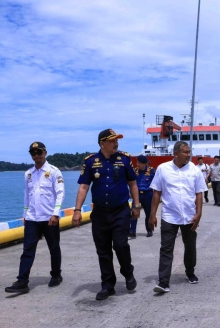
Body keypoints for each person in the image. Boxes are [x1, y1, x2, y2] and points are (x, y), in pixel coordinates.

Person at [72, 129, 141, 301]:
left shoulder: (124, 159)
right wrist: (77, 210)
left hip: (120, 211)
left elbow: (132, 183)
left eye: (117, 140)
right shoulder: (90, 162)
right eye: (112, 141)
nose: (116, 143)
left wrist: (137, 206)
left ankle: (128, 272)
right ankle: (107, 285)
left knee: (120, 245)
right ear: (102, 143)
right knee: (103, 250)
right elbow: (83, 187)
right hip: (100, 214)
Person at [5, 142, 65, 294]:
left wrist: (55, 213)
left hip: (49, 217)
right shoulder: (28, 174)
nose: (36, 155)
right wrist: (25, 214)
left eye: (39, 152)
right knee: (27, 250)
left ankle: (56, 275)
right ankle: (22, 281)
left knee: (54, 248)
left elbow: (60, 193)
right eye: (33, 153)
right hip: (32, 218)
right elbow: (26, 196)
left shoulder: (54, 171)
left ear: (45, 153)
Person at [149, 141, 207, 293]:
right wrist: (152, 214)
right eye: (185, 152)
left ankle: (190, 271)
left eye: (189, 152)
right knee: (166, 248)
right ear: (176, 153)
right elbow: (156, 192)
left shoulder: (194, 170)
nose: (188, 155)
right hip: (169, 215)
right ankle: (163, 282)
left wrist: (199, 213)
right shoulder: (163, 169)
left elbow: (199, 193)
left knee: (190, 246)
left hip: (189, 215)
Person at [129, 155, 156, 238]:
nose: (137, 164)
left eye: (139, 163)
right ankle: (132, 231)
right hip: (137, 195)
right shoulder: (135, 171)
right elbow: (131, 183)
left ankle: (149, 230)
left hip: (148, 194)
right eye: (137, 162)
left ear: (144, 164)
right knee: (134, 213)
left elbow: (156, 183)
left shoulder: (151, 171)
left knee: (148, 213)